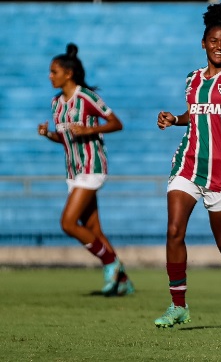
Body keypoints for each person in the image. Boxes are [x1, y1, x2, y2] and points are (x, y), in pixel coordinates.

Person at [153, 2, 221, 330]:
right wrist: (175, 118)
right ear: (203, 43)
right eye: (213, 41)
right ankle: (178, 304)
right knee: (174, 230)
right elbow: (196, 116)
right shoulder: (192, 79)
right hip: (188, 161)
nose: (219, 46)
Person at [37, 43, 133, 296]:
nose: (50, 76)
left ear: (68, 73)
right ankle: (122, 280)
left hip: (92, 166)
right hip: (73, 170)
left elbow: (116, 123)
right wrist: (48, 134)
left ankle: (111, 263)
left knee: (68, 223)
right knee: (94, 230)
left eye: (53, 71)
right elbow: (65, 138)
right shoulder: (57, 103)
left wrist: (91, 130)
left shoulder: (86, 98)